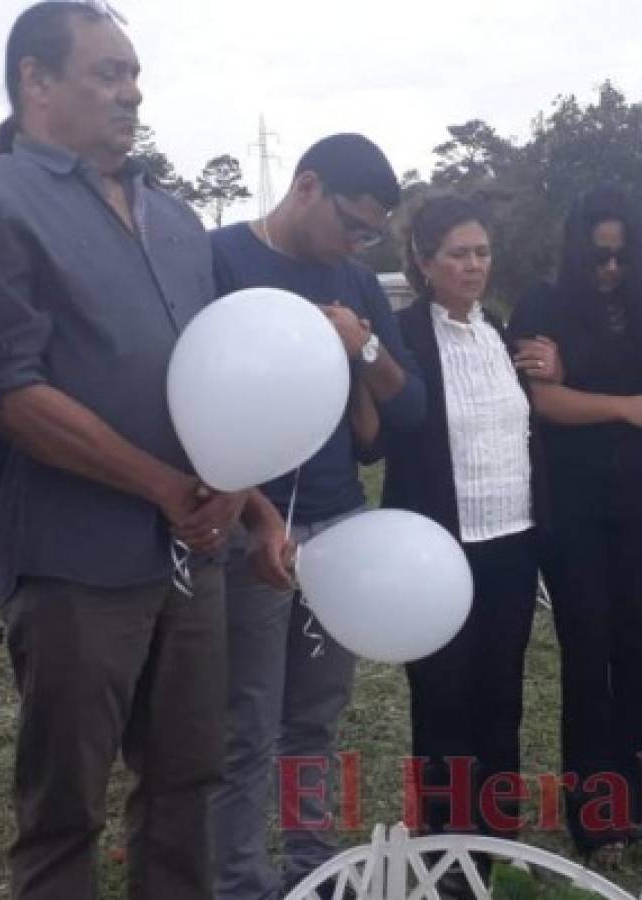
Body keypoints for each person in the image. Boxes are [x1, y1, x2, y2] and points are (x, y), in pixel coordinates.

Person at [0, 5, 286, 899]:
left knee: (187, 781)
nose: (131, 91)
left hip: (194, 548)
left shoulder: (175, 216)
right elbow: (11, 394)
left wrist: (239, 492)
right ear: (35, 80)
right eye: (107, 72)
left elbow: (222, 369)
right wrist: (164, 486)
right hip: (74, 559)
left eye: (133, 72)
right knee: (65, 804)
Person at [207, 133, 426, 899]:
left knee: (314, 721)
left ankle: (314, 870)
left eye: (371, 234)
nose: (357, 243)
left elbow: (412, 409)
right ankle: (240, 883)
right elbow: (193, 411)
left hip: (338, 525)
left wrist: (363, 348)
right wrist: (259, 520)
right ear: (305, 188)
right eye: (351, 224)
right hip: (244, 527)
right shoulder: (220, 260)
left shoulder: (357, 284)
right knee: (245, 725)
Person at [508, 183, 642, 863]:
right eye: (599, 257)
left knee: (635, 651)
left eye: (620, 257)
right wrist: (627, 408)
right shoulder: (541, 305)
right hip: (570, 504)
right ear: (578, 251)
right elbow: (543, 403)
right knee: (585, 652)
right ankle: (593, 817)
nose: (609, 269)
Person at [376, 194, 555, 866]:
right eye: (457, 254)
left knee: (499, 690)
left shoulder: (497, 332)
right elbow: (388, 427)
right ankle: (444, 842)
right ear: (424, 262)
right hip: (435, 547)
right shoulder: (402, 336)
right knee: (441, 694)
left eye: (481, 252)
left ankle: (496, 832)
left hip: (512, 540)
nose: (473, 265)